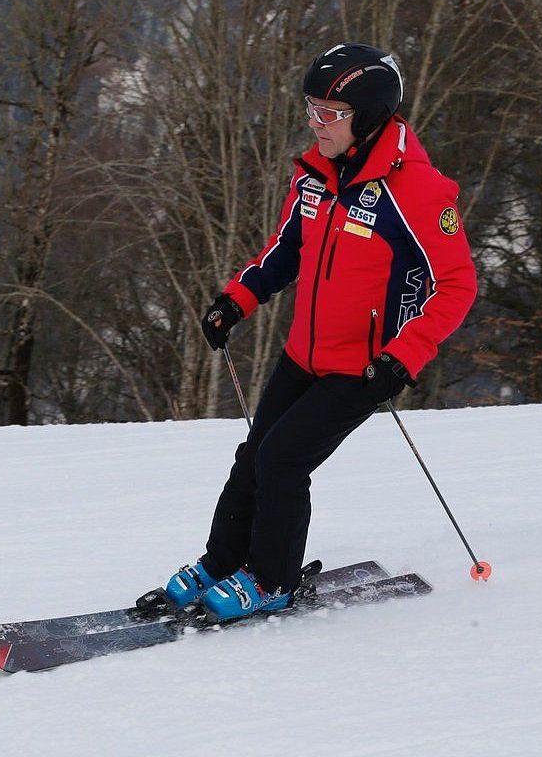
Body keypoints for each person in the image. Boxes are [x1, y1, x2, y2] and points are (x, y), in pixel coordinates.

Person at [164, 43, 478, 621]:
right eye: (311, 109)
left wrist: (404, 356)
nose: (316, 123)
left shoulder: (417, 192)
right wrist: (238, 299)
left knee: (283, 460)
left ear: (369, 113)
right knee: (253, 455)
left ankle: (272, 580)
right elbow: (286, 251)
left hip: (362, 368)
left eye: (329, 113)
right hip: (302, 354)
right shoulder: (316, 176)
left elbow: (457, 285)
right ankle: (221, 562)